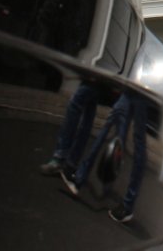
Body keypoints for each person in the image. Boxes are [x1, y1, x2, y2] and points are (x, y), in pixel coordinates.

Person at [61, 90, 149, 224]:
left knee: (138, 142)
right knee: (113, 121)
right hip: (133, 88)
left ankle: (127, 205)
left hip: (145, 91)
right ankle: (79, 179)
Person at [39, 81, 99, 177]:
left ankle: (60, 158)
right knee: (88, 113)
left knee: (76, 103)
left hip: (96, 78)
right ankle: (71, 163)